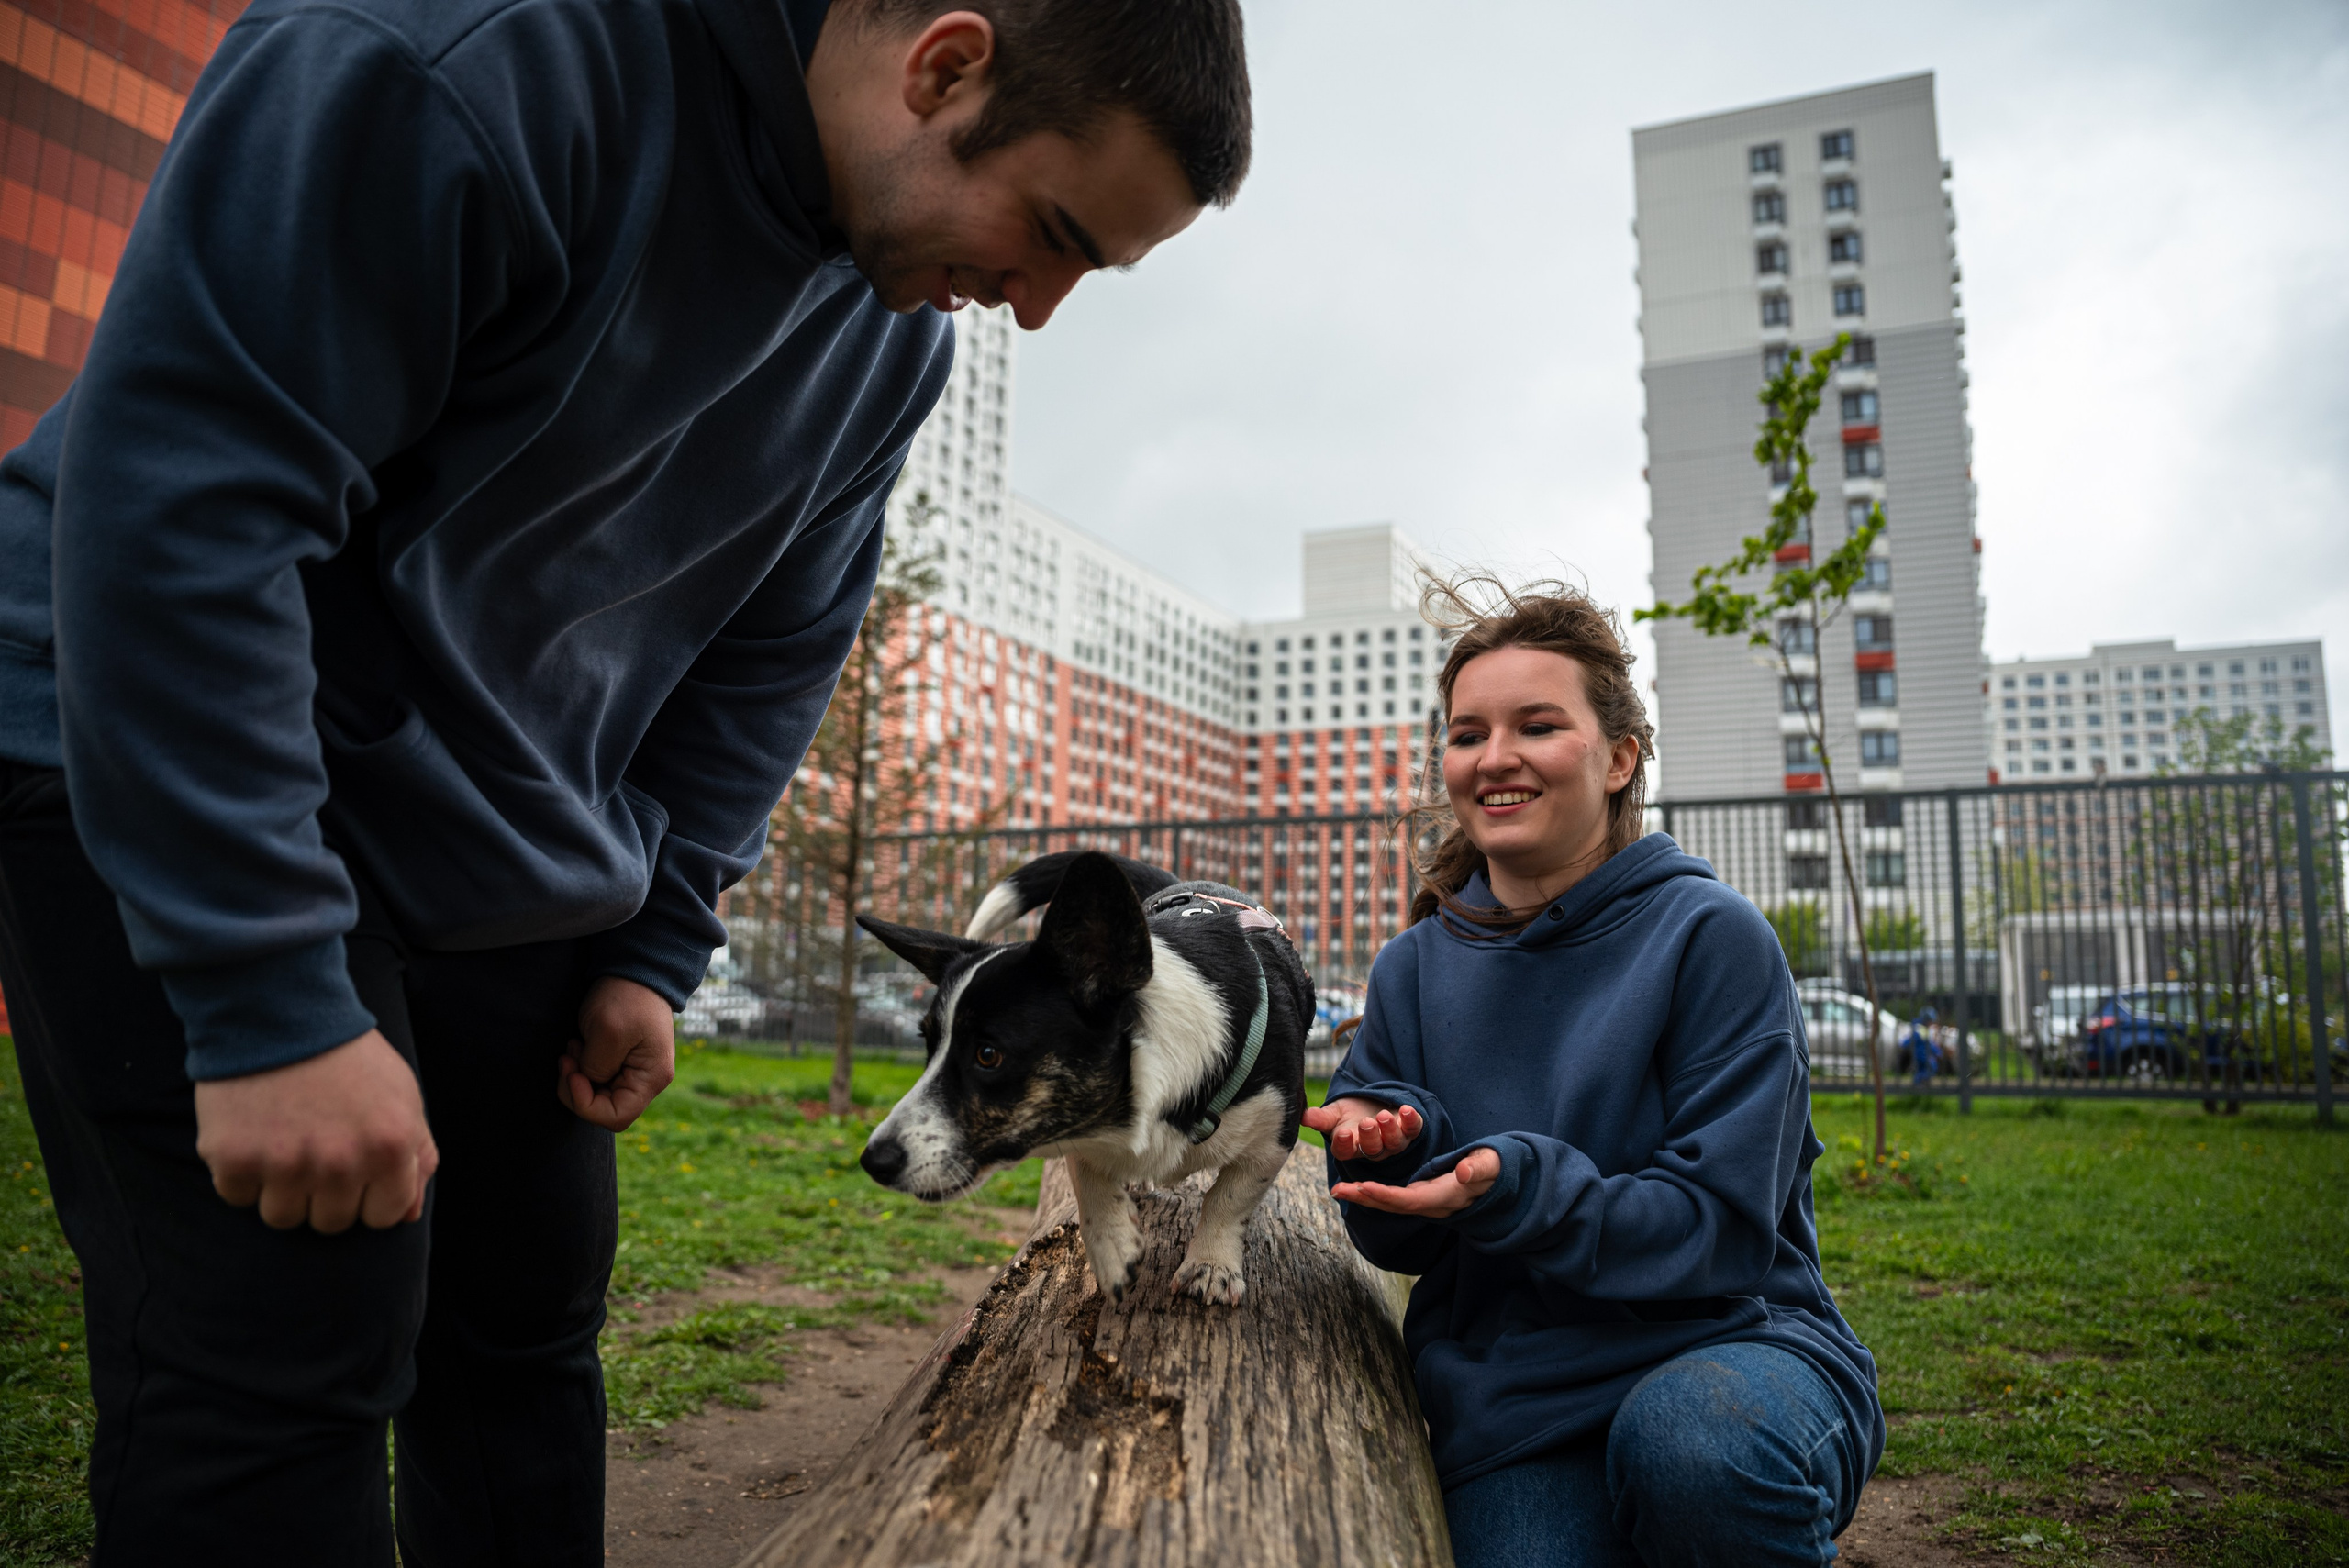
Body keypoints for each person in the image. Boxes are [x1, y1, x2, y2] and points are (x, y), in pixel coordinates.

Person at [0, 0, 1249, 1560]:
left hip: (491, 817)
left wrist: (653, 945)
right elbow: (188, 507)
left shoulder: (889, 344)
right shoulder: (473, 61)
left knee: (524, 1320)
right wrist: (267, 992)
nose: (1037, 309)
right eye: (1052, 233)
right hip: (164, 737)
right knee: (287, 1346)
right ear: (944, 66)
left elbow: (767, 657)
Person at [1301, 577, 1882, 1568]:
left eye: (1536, 725)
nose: (1495, 757)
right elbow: (1398, 1239)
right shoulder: (1411, 967)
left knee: (1690, 1448)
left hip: (1735, 1348)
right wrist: (1387, 1153)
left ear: (1619, 758)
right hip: (1520, 1402)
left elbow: (1719, 1228)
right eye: (1467, 733)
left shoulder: (1711, 937)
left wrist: (1515, 1185)